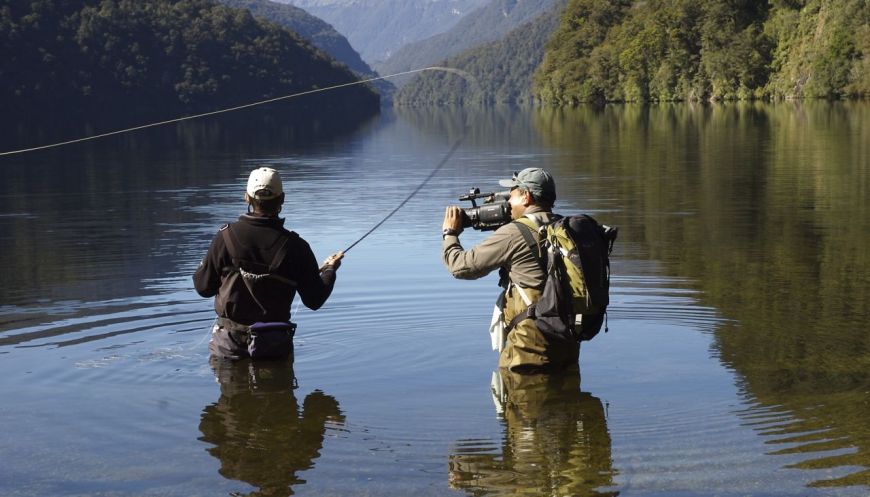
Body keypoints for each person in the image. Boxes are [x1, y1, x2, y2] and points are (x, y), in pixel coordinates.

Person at [193, 166, 344, 360]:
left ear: (246, 197)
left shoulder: (224, 238)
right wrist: (330, 269)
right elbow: (314, 300)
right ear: (282, 199)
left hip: (228, 348)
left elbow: (203, 288)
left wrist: (203, 267)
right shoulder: (297, 247)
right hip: (275, 348)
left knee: (232, 390)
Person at [441, 167, 577, 373]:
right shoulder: (564, 227)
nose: (507, 203)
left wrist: (450, 233)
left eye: (511, 195)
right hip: (567, 346)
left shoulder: (513, 234)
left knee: (522, 403)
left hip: (528, 351)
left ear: (526, 197)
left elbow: (460, 267)